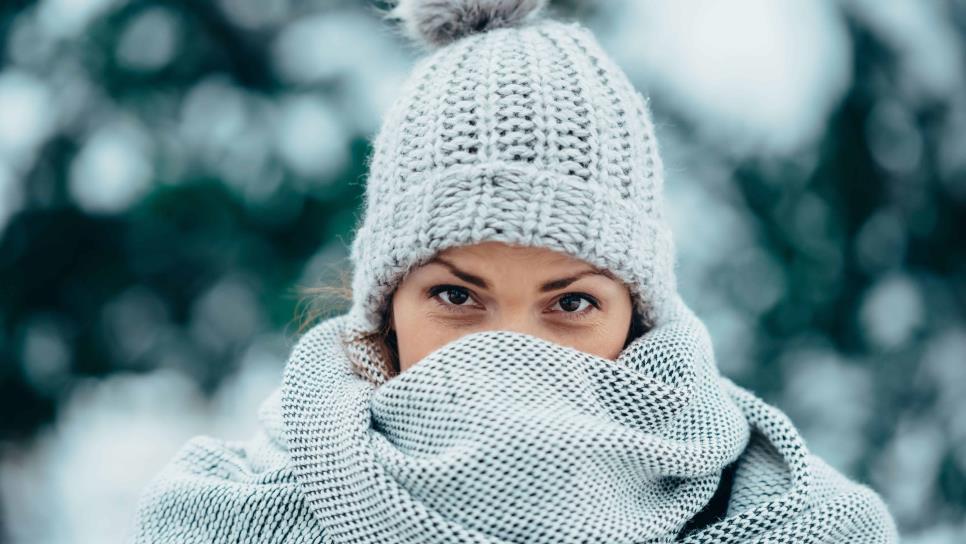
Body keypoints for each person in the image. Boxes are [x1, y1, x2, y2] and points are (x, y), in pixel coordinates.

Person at [131, 1, 899, 542]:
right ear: (385, 305)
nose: (510, 348)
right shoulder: (230, 521)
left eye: (569, 303)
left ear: (638, 314)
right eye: (457, 294)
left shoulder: (797, 523)